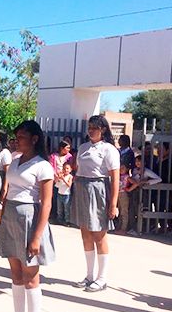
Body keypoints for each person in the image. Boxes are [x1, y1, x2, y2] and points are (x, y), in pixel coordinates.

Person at [0, 120, 54, 312]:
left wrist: (37, 236)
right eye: (16, 136)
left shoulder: (43, 166)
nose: (16, 140)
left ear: (34, 139)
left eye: (21, 136)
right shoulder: (16, 161)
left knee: (30, 278)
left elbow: (46, 204)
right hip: (11, 216)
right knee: (16, 275)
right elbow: (9, 187)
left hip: (30, 219)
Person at [70, 115, 120, 293]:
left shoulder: (109, 149)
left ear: (103, 129)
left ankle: (102, 278)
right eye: (89, 127)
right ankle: (89, 275)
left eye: (95, 127)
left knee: (99, 235)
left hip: (98, 190)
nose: (91, 130)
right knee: (85, 234)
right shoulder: (83, 147)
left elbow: (115, 179)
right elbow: (79, 170)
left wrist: (113, 204)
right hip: (82, 189)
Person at [124, 155, 162, 236]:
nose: (137, 163)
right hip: (134, 191)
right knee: (132, 209)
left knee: (140, 210)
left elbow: (158, 179)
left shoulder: (147, 171)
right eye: (136, 161)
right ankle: (133, 228)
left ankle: (140, 228)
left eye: (139, 161)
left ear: (143, 162)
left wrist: (147, 182)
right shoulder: (134, 170)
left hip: (143, 192)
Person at [49, 140, 73, 224]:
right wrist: (56, 175)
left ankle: (66, 219)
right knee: (55, 198)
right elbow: (51, 166)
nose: (69, 149)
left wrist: (63, 175)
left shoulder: (69, 156)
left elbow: (70, 167)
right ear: (62, 148)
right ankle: (56, 216)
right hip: (56, 179)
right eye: (67, 147)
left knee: (65, 202)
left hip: (64, 179)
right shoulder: (53, 156)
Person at [115, 164, 131, 235]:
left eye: (123, 168)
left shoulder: (127, 177)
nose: (121, 169)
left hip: (123, 194)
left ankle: (123, 228)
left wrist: (129, 189)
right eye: (120, 168)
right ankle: (120, 226)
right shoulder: (118, 176)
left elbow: (136, 183)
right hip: (118, 194)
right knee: (120, 210)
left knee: (124, 211)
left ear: (127, 169)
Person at [56, 162, 73, 226]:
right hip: (59, 193)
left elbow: (69, 185)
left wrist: (63, 179)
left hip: (66, 195)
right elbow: (56, 183)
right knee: (59, 208)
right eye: (64, 168)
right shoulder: (61, 176)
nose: (66, 170)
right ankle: (59, 220)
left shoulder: (70, 176)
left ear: (70, 169)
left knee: (66, 209)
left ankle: (67, 221)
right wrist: (59, 178)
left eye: (67, 168)